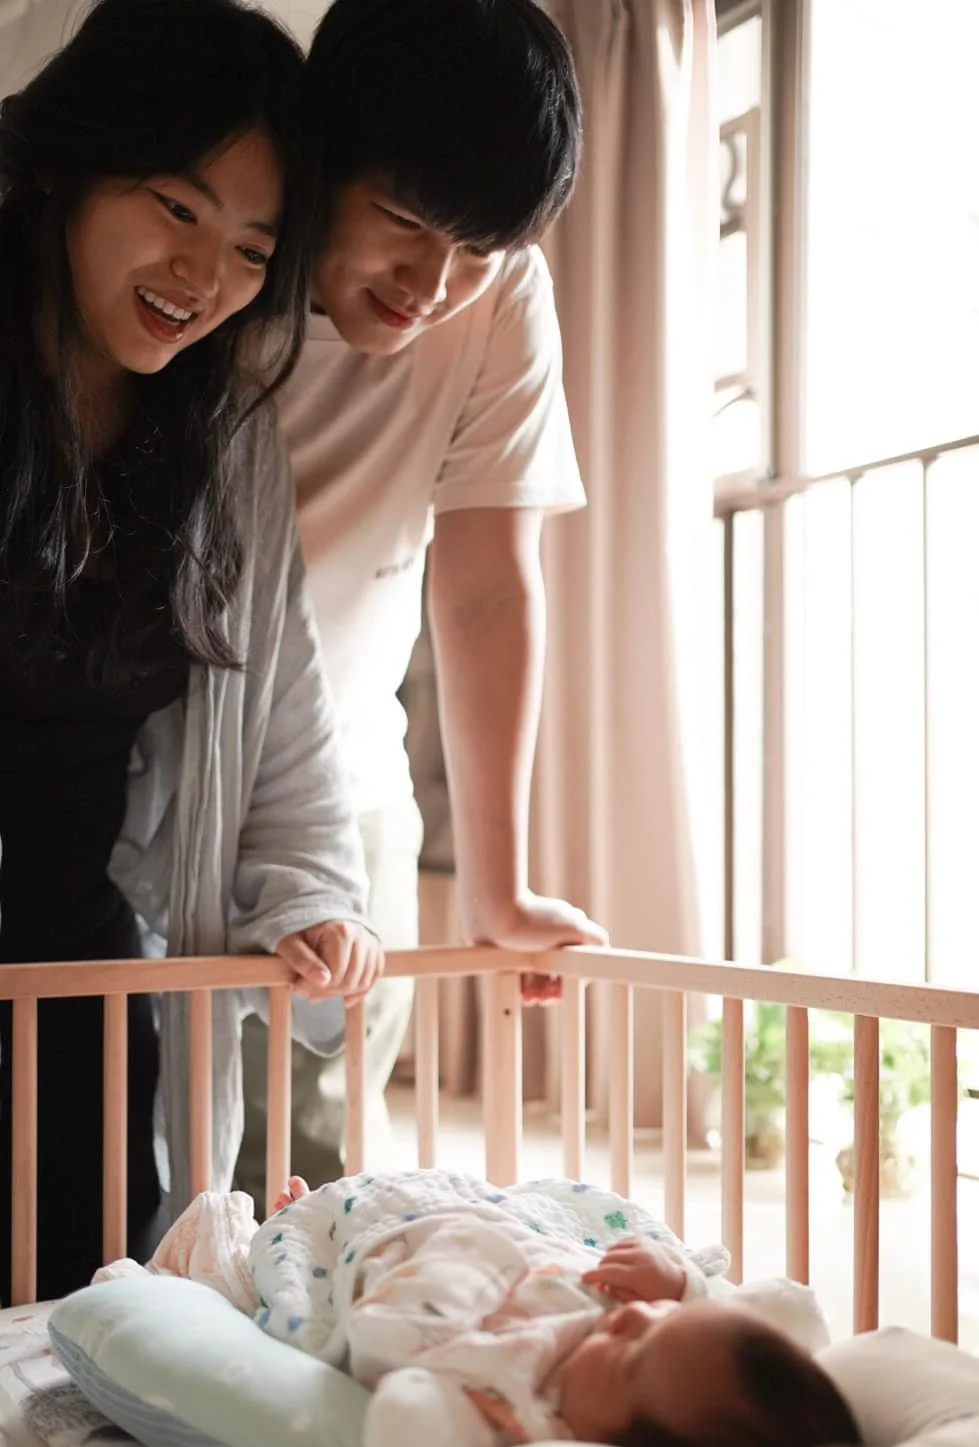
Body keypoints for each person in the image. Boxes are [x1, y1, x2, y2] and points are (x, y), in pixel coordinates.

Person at [0, 0, 382, 1301]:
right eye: (176, 208)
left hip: (85, 998)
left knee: (71, 1336)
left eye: (251, 248)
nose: (205, 275)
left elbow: (284, 718)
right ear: (66, 164)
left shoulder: (224, 454)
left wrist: (315, 898)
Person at [237, 0, 609, 1207]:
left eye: (475, 247)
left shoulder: (501, 300)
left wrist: (497, 883)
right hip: (139, 776)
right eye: (402, 224)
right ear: (321, 154)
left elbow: (492, 580)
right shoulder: (213, 256)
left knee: (315, 1186)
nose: (432, 284)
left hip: (346, 792)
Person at [117, 1169, 862, 1447]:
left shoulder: (522, 1404)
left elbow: (398, 1344)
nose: (633, 1318)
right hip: (495, 1225)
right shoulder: (652, 1330)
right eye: (659, 1323)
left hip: (416, 1264)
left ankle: (230, 1259)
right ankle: (333, 1218)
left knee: (234, 1255)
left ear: (610, 1443)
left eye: (631, 1356)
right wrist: (680, 1286)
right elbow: (689, 1315)